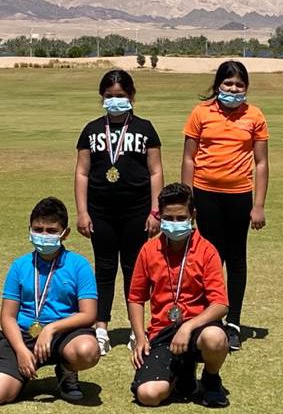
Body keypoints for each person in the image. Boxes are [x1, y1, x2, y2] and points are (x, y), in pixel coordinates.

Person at [75, 69, 163, 356]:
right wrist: (82, 212)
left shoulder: (145, 128)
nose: (115, 101)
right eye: (110, 96)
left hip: (137, 212)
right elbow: (82, 172)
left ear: (132, 96)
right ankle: (100, 328)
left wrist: (156, 211)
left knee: (134, 270)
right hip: (100, 212)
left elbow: (155, 171)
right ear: (102, 97)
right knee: (104, 269)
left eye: (121, 96)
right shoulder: (91, 130)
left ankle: (136, 330)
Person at [181, 60, 268, 351]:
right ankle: (210, 318)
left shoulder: (254, 115)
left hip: (239, 195)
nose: (233, 89)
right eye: (228, 83)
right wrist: (187, 201)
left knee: (236, 258)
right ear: (218, 84)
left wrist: (258, 205)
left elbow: (261, 163)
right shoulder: (200, 112)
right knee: (209, 258)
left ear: (246, 88)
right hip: (205, 194)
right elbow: (189, 158)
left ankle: (234, 322)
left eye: (239, 85)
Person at [0, 196, 100, 404]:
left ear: (65, 234)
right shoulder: (19, 266)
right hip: (24, 336)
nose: (43, 236)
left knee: (87, 351)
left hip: (64, 334)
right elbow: (8, 317)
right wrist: (20, 350)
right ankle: (22, 370)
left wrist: (51, 329)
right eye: (38, 229)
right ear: (30, 230)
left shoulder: (79, 265)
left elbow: (89, 314)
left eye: (51, 231)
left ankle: (66, 369)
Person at [128, 183, 230, 408]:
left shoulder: (207, 251)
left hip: (198, 329)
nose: (175, 224)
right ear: (160, 217)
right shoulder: (148, 250)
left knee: (215, 338)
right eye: (168, 218)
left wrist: (188, 327)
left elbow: (220, 304)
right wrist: (140, 338)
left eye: (181, 218)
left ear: (193, 216)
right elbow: (136, 298)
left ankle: (211, 379)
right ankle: (182, 375)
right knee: (148, 395)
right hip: (162, 332)